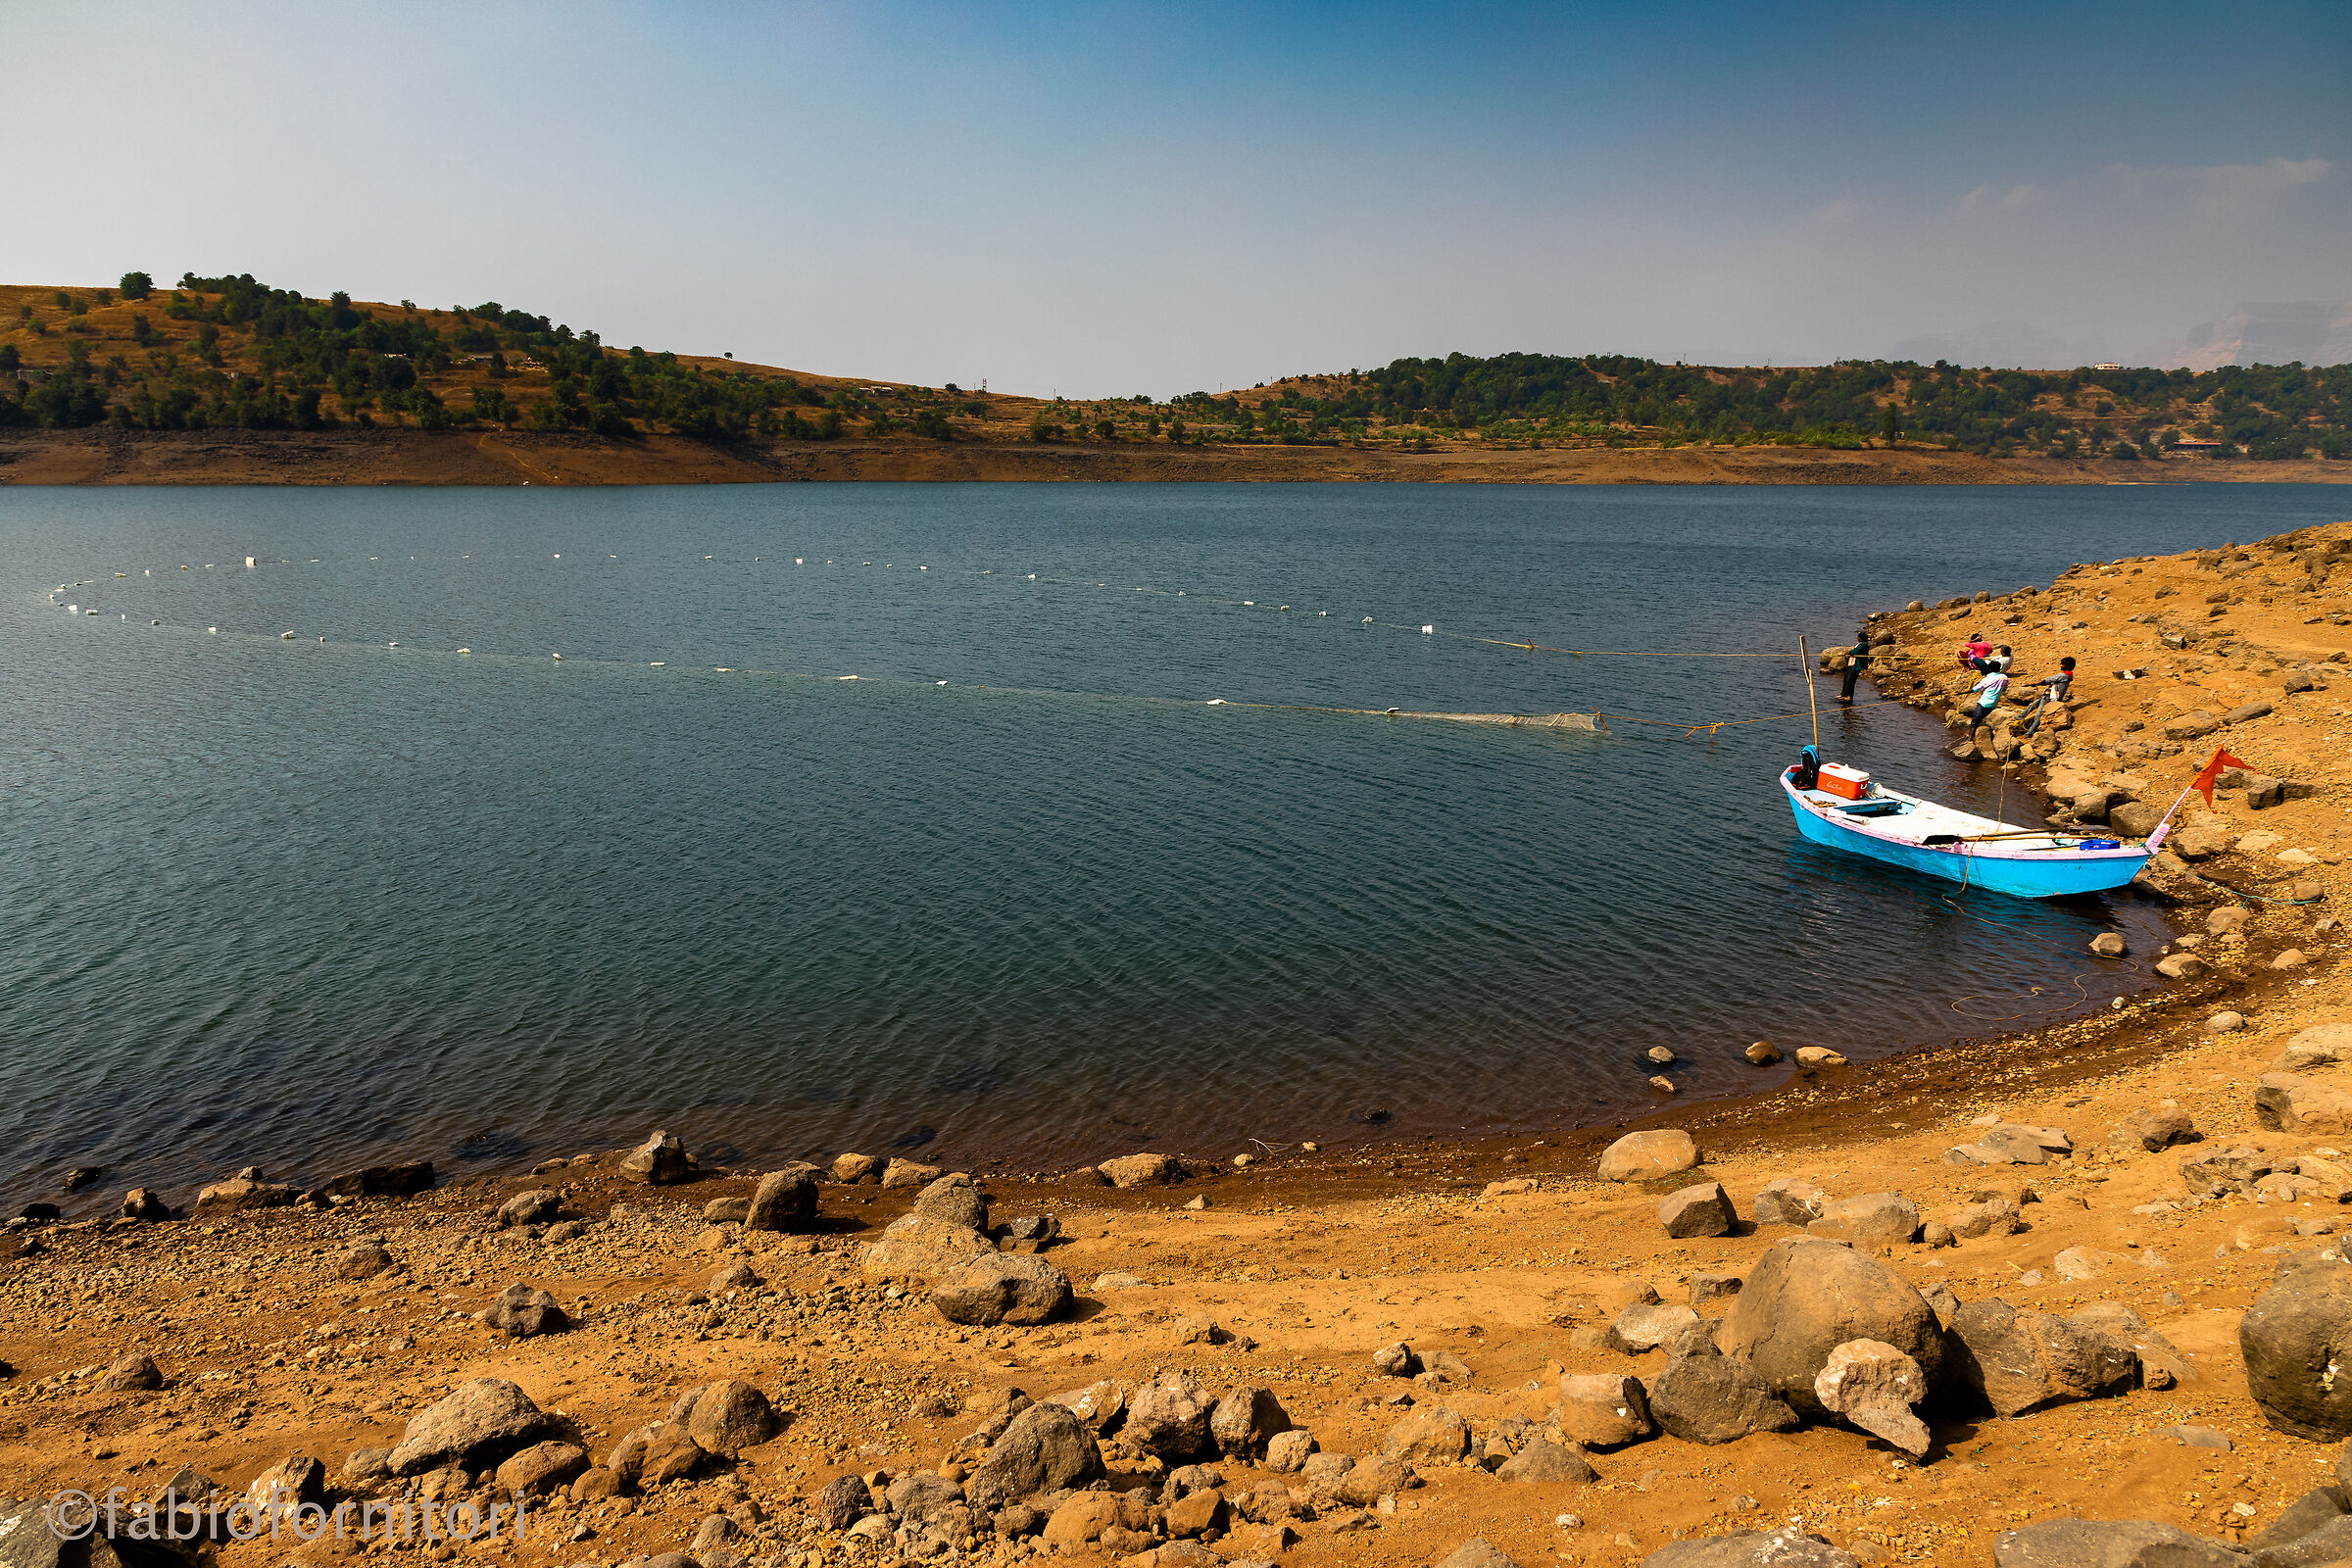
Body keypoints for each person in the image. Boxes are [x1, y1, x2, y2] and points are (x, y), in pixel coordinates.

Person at [1838, 628, 1872, 705]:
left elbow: (1855, 651)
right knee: (1846, 678)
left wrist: (1845, 653)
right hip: (1851, 663)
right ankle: (1844, 694)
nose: (1857, 638)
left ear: (1861, 638)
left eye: (1858, 637)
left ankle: (1850, 696)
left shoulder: (1864, 645)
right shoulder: (1860, 644)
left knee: (1851, 681)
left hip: (1856, 665)